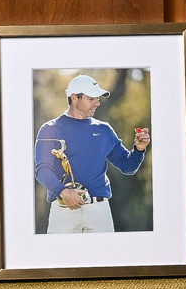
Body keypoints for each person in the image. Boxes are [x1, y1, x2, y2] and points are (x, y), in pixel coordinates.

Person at [33, 74, 150, 234]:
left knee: (106, 258)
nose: (98, 103)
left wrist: (139, 149)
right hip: (63, 210)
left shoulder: (104, 130)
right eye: (91, 98)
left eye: (97, 98)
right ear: (75, 98)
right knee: (60, 258)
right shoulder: (49, 129)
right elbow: (42, 170)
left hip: (99, 212)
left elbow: (127, 166)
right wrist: (63, 192)